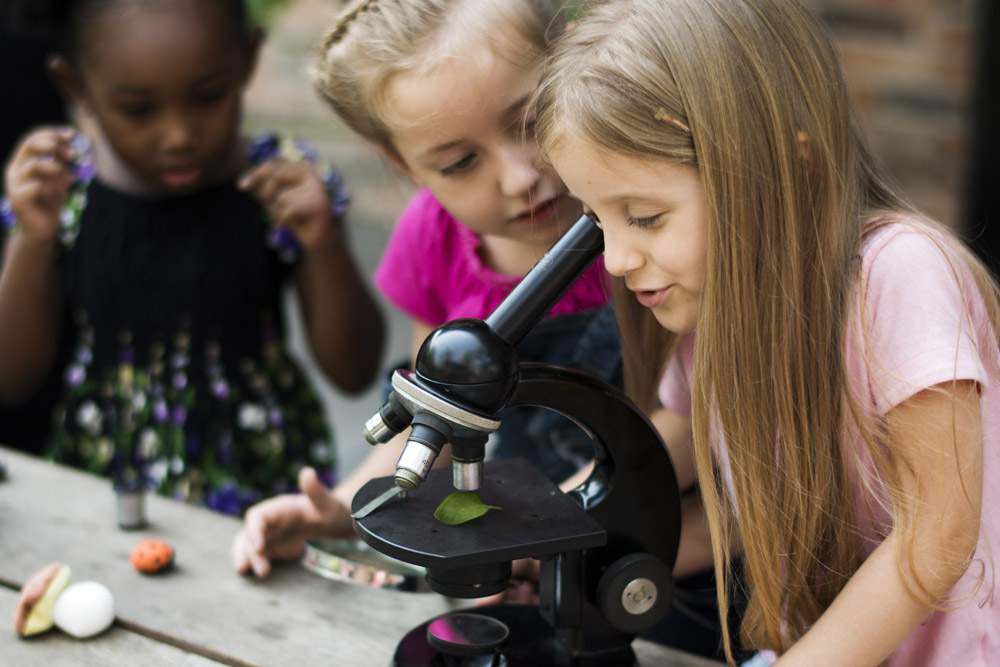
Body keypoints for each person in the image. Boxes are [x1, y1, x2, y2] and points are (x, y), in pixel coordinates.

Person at [533, 0, 1000, 665]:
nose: (613, 260)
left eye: (644, 215)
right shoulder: (708, 307)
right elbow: (668, 470)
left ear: (792, 169)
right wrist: (543, 534)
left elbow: (939, 532)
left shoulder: (904, 274)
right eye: (598, 220)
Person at [0, 0, 384, 515]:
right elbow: (12, 378)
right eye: (138, 109)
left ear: (248, 60)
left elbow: (354, 372)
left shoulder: (281, 183)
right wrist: (32, 238)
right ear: (75, 87)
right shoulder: (63, 190)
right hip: (104, 481)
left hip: (260, 485)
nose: (179, 136)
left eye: (208, 96)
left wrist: (324, 244)